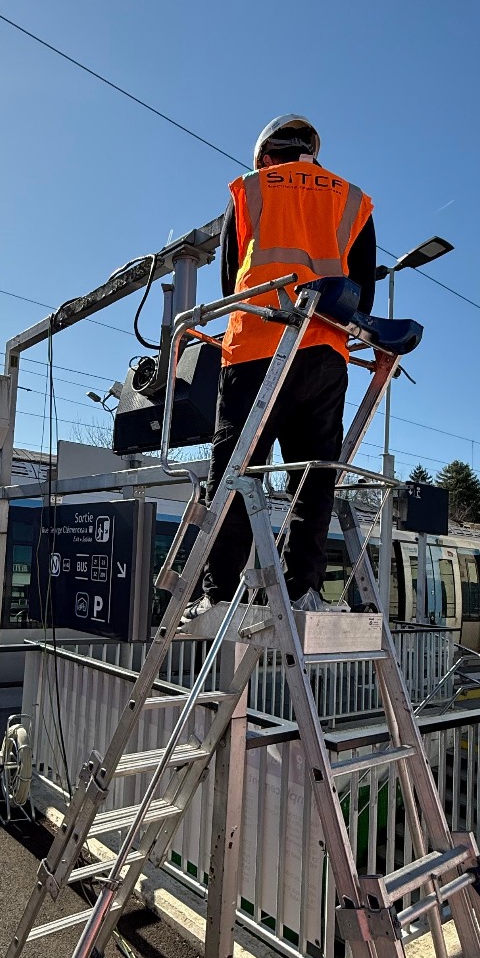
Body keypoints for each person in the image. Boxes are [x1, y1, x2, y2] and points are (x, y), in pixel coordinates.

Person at [187, 114, 377, 620]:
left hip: (256, 346)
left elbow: (233, 283)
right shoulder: (352, 198)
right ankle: (301, 590)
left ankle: (221, 593)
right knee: (312, 478)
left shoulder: (251, 189)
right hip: (325, 354)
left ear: (267, 156)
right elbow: (362, 294)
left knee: (236, 472)